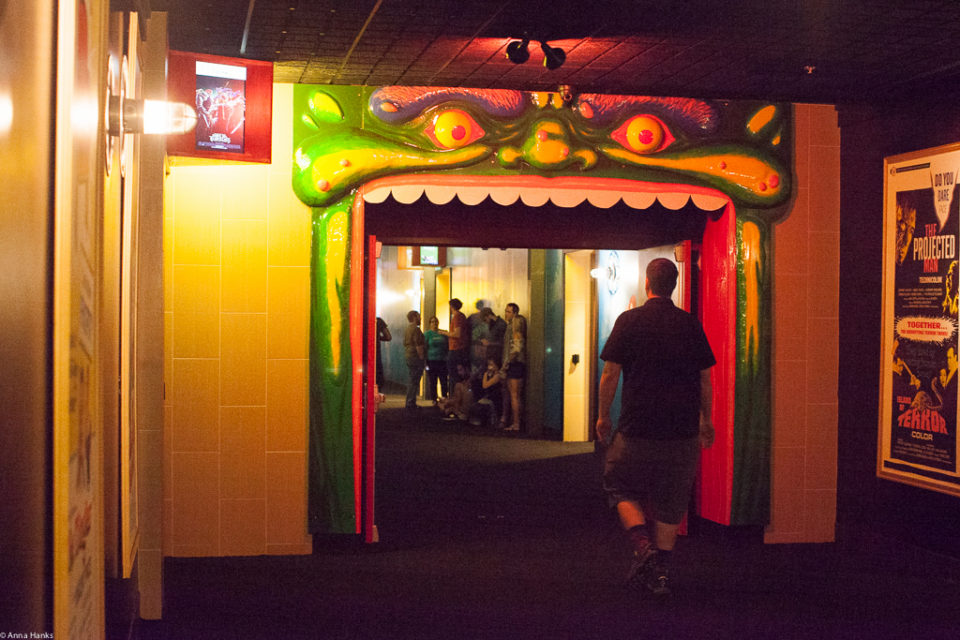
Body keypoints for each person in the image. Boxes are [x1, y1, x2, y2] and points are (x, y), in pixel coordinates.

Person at [595, 258, 715, 597]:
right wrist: (706, 419)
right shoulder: (690, 324)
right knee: (671, 501)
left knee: (619, 486)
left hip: (636, 429)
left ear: (647, 283)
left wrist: (604, 416)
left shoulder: (629, 321)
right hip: (681, 433)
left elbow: (611, 373)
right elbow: (704, 378)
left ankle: (642, 545)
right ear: (673, 285)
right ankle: (660, 573)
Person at [498, 303, 526, 432]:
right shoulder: (510, 327)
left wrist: (507, 363)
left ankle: (516, 423)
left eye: (509, 312)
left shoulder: (516, 330)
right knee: (514, 395)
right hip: (514, 364)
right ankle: (515, 422)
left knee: (514, 395)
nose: (506, 314)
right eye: (506, 311)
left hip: (514, 364)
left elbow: (516, 349)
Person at [440, 298, 470, 394]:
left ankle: (455, 396)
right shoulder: (461, 316)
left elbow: (457, 334)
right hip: (460, 349)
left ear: (452, 307)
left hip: (456, 349)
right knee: (459, 373)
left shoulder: (457, 317)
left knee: (454, 374)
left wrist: (444, 333)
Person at [402, 310, 426, 411]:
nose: (420, 318)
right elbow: (418, 345)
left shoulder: (407, 329)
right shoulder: (416, 330)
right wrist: (422, 358)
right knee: (414, 381)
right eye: (419, 316)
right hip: (415, 357)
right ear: (414, 317)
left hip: (408, 355)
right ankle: (411, 403)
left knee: (412, 379)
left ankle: (409, 401)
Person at [424, 316, 449, 405]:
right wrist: (425, 362)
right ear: (430, 323)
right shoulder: (427, 334)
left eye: (436, 322)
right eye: (432, 322)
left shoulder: (443, 333)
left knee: (444, 380)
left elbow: (447, 346)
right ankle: (434, 398)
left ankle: (444, 397)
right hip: (431, 360)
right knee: (433, 381)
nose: (434, 323)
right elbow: (425, 348)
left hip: (442, 360)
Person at [375, 317, 392, 391]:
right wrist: (377, 337)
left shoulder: (360, 319)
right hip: (376, 354)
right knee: (377, 377)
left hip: (361, 355)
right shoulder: (378, 321)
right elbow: (388, 337)